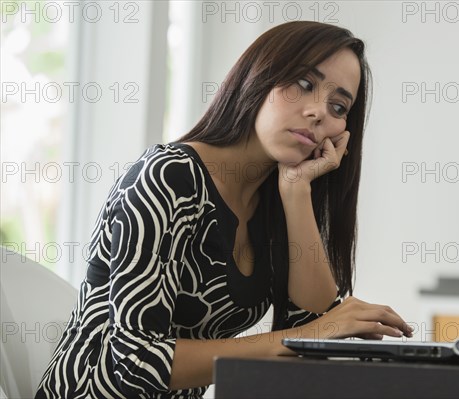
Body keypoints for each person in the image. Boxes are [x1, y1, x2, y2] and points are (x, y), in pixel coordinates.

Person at [35, 21, 413, 398]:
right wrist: (314, 333)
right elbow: (135, 365)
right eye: (303, 84)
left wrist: (297, 192)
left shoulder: (275, 200)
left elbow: (314, 333)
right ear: (261, 76)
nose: (318, 113)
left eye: (338, 106)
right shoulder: (169, 177)